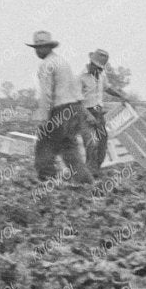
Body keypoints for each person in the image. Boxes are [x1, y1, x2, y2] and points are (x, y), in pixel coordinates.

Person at [30, 30, 94, 186]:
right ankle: (84, 181)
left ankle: (47, 179)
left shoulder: (46, 65)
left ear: (48, 47)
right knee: (68, 146)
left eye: (40, 47)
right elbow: (76, 90)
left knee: (45, 144)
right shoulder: (62, 61)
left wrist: (44, 118)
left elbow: (46, 93)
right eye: (36, 48)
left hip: (60, 110)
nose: (37, 51)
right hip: (74, 108)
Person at [80, 49, 124, 172]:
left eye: (101, 68)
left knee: (102, 142)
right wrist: (88, 115)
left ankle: (96, 169)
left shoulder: (101, 75)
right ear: (91, 63)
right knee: (91, 142)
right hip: (84, 113)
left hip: (98, 113)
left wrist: (121, 96)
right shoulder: (80, 77)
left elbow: (107, 88)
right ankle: (88, 171)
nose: (99, 70)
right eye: (97, 67)